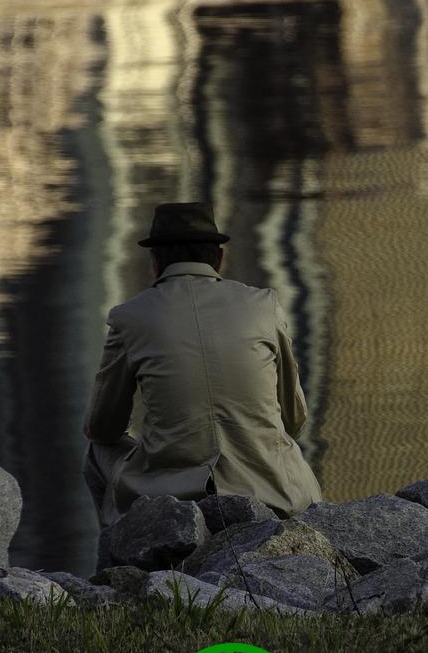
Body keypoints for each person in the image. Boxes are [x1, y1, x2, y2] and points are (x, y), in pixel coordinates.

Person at [81, 202, 323, 531]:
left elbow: (102, 428)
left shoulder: (130, 318)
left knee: (97, 452)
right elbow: (294, 421)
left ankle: (116, 558)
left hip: (173, 498)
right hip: (275, 495)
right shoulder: (264, 306)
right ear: (219, 258)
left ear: (155, 263)